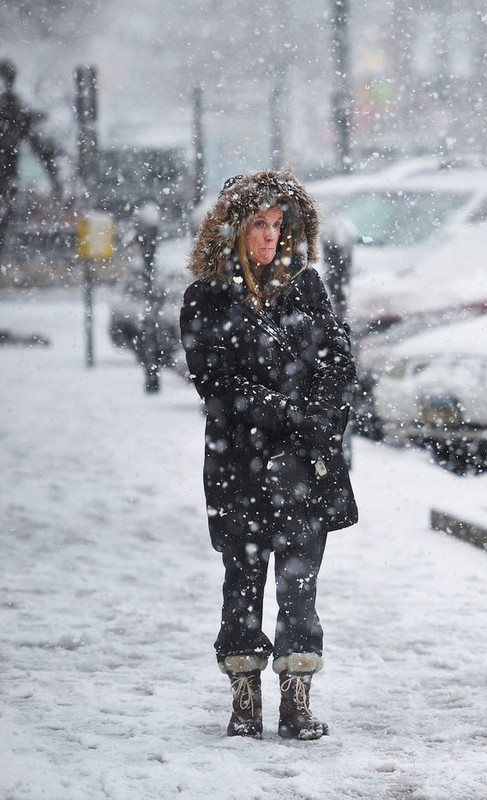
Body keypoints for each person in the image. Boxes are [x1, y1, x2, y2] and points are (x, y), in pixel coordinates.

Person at [180, 170, 358, 740]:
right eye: (258, 225)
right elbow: (217, 381)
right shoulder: (206, 298)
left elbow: (337, 360)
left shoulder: (307, 286)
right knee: (243, 579)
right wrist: (287, 412)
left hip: (304, 465)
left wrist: (318, 414)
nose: (269, 238)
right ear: (233, 230)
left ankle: (298, 697)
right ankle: (245, 699)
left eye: (278, 226)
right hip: (239, 464)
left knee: (300, 585)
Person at [0, 58, 62, 263]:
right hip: (6, 181)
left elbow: (40, 147)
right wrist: (56, 180)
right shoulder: (14, 108)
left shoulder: (13, 109)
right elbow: (41, 148)